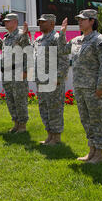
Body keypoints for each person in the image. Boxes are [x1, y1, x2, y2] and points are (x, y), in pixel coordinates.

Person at [59, 10, 102, 163]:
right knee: (86, 120)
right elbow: (62, 50)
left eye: (83, 20)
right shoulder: (77, 40)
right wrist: (62, 33)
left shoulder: (99, 40)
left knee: (97, 120)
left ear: (92, 21)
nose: (79, 22)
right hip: (80, 87)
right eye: (79, 20)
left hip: (94, 88)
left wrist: (101, 85)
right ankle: (92, 151)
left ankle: (100, 153)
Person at [33, 14, 70, 145]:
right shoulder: (38, 40)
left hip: (53, 80)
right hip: (41, 80)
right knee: (44, 107)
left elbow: (64, 59)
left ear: (52, 24)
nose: (40, 24)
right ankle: (49, 135)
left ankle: (56, 137)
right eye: (40, 22)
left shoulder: (56, 38)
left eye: (43, 22)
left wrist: (59, 77)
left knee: (55, 108)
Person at [0, 14, 31, 134]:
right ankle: (16, 123)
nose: (5, 23)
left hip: (18, 72)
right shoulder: (7, 37)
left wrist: (26, 71)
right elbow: (3, 48)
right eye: (5, 21)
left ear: (15, 22)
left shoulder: (21, 35)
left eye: (8, 21)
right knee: (10, 99)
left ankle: (23, 125)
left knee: (20, 99)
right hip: (7, 72)